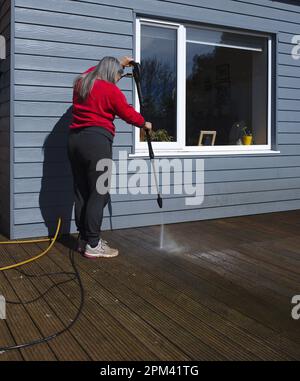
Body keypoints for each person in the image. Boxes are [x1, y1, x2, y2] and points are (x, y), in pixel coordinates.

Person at [67, 56, 152, 259]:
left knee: (82, 192)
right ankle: (94, 244)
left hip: (73, 142)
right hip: (96, 142)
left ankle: (84, 240)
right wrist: (144, 123)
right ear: (110, 73)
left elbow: (93, 70)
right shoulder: (110, 90)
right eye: (118, 75)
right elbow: (127, 113)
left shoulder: (82, 82)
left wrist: (120, 64)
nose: (118, 79)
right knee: (100, 192)